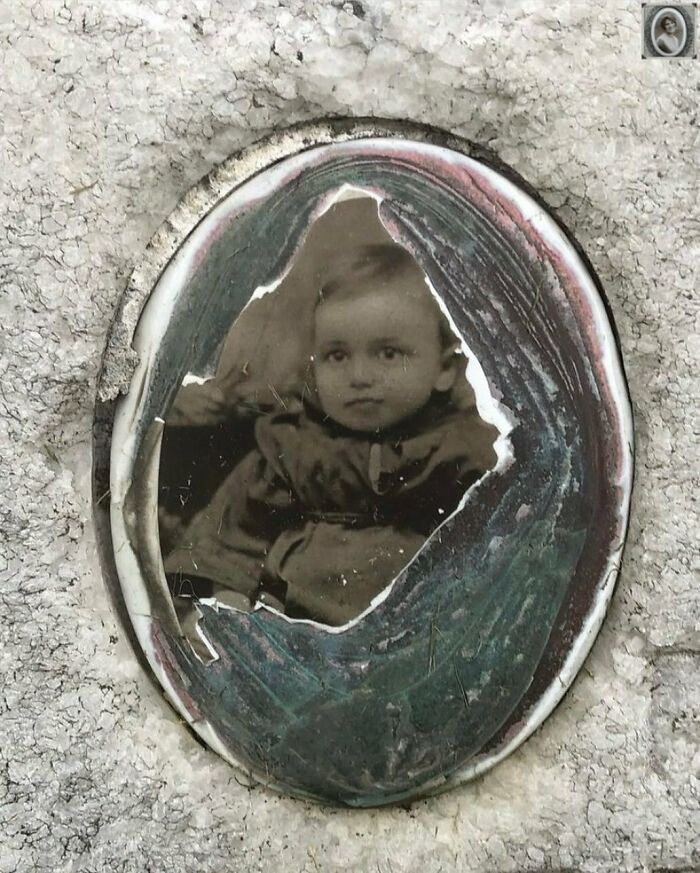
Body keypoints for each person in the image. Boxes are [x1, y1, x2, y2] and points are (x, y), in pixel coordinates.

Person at [164, 244, 497, 627]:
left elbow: (498, 543)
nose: (359, 376)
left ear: (444, 368)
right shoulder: (291, 446)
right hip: (297, 618)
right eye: (337, 356)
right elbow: (233, 532)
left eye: (388, 354)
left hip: (422, 622)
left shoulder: (462, 449)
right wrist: (227, 596)